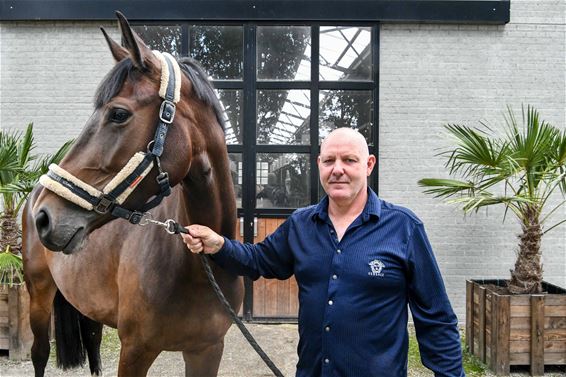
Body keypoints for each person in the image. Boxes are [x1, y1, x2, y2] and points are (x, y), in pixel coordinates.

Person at [182, 127, 464, 376]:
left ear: (369, 165)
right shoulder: (301, 225)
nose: (337, 169)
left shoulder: (404, 228)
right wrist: (218, 244)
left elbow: (436, 318)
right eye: (329, 160)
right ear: (319, 165)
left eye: (349, 160)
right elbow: (259, 260)